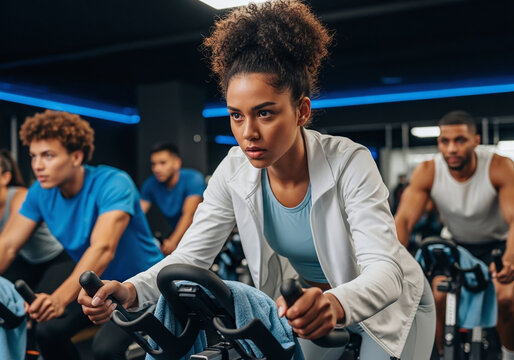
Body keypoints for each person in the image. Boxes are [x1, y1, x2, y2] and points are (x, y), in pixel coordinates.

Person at [79, 1, 435, 359]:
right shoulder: (233, 169)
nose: (248, 133)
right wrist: (130, 290)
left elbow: (386, 271)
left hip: (388, 304)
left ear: (302, 111)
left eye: (264, 113)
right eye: (236, 115)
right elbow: (190, 256)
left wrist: (335, 303)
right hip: (308, 309)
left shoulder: (348, 162)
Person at [0, 110, 164, 360]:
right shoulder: (39, 193)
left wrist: (58, 300)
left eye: (48, 155)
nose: (37, 165)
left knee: (105, 349)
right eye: (33, 156)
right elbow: (8, 244)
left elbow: (103, 248)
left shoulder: (113, 182)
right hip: (96, 285)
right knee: (47, 332)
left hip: (142, 284)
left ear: (76, 156)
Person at [395, 110, 514, 359]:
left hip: (498, 245)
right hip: (456, 245)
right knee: (435, 295)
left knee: (505, 298)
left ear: (476, 141)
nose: (451, 149)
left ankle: (507, 354)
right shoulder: (428, 170)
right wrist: (390, 264)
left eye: (460, 140)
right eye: (444, 141)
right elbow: (404, 220)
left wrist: (510, 259)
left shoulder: (499, 166)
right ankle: (441, 353)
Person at [0, 149, 76, 299]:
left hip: (58, 257)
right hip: (28, 260)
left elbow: (7, 247)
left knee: (42, 313)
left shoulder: (21, 197)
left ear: (5, 177)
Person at [140, 142, 206, 255]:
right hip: (179, 235)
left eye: (163, 163)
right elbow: (138, 214)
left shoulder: (193, 178)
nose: (156, 169)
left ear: (177, 163)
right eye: (153, 164)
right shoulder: (150, 184)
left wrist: (172, 242)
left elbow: (189, 216)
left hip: (203, 233)